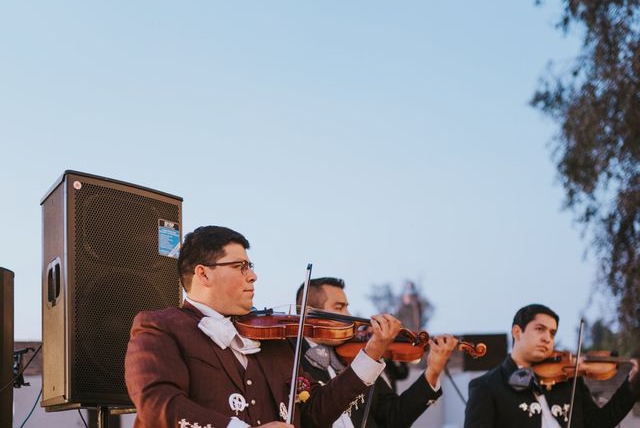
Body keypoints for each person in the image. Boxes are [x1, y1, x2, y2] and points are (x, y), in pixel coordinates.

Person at [125, 226, 404, 428]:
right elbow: (157, 404)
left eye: (251, 266)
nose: (253, 276)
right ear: (203, 273)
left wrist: (372, 352)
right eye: (240, 266)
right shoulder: (160, 327)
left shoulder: (272, 340)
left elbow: (314, 414)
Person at [296, 277, 458, 428]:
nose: (349, 316)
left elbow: (395, 417)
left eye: (347, 307)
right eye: (339, 307)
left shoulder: (356, 358)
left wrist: (434, 370)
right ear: (310, 313)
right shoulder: (291, 358)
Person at [464, 303, 640, 428]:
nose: (548, 338)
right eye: (540, 329)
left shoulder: (569, 381)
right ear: (517, 332)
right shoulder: (486, 386)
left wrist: (632, 385)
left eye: (552, 333)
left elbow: (600, 423)